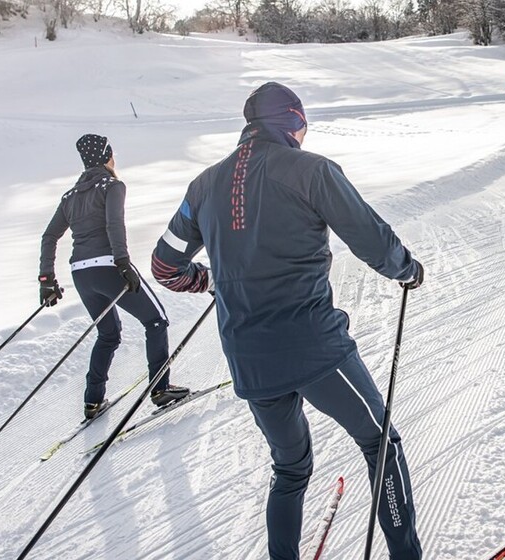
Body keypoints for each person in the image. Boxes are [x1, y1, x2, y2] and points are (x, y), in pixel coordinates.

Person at [151, 82, 424, 560]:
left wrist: (212, 281)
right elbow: (371, 240)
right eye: (302, 123)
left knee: (291, 469)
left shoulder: (203, 185)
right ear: (294, 121)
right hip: (314, 347)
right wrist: (407, 269)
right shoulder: (311, 169)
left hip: (249, 360)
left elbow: (164, 268)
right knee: (381, 444)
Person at [39, 133, 190, 419]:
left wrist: (46, 279)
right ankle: (161, 388)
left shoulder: (70, 196)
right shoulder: (112, 185)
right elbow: (114, 224)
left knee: (108, 334)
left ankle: (93, 401)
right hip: (109, 266)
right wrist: (122, 262)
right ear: (107, 156)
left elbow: (49, 236)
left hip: (81, 274)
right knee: (156, 320)